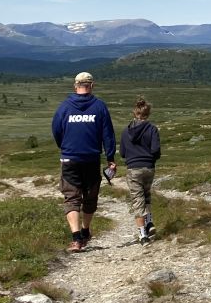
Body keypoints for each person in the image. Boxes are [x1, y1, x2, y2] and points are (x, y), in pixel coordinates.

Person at [50, 71, 116, 252]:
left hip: (69, 158)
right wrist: (110, 158)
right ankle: (85, 231)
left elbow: (56, 129)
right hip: (91, 159)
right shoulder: (100, 107)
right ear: (92, 86)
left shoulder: (64, 107)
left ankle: (76, 238)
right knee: (90, 197)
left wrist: (63, 146)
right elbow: (108, 134)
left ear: (75, 86)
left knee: (71, 197)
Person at [120, 96, 161, 244]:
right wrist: (151, 159)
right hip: (149, 167)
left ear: (134, 113)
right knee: (146, 195)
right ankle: (149, 223)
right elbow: (156, 150)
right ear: (148, 113)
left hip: (133, 168)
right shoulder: (152, 129)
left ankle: (143, 235)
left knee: (138, 200)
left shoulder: (126, 132)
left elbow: (123, 153)